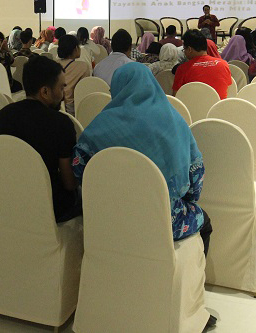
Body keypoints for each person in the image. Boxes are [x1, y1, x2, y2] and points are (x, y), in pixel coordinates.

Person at [73, 62, 212, 254]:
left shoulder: (99, 127)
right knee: (205, 222)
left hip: (109, 220)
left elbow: (80, 171)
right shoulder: (173, 121)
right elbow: (195, 178)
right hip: (164, 221)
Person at [0, 55, 81, 222]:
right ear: (45, 92)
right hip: (50, 209)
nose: (63, 95)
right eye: (61, 88)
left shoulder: (3, 116)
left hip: (10, 203)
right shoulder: (61, 123)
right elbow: (69, 183)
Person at [172, 30, 232, 99]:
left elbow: (176, 96)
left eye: (184, 49)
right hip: (219, 105)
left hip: (192, 106)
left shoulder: (182, 69)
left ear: (189, 49)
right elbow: (229, 89)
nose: (184, 52)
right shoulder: (223, 64)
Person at [56, 35, 91, 116]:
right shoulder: (82, 66)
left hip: (55, 105)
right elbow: (83, 90)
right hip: (72, 108)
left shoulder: (54, 63)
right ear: (76, 48)